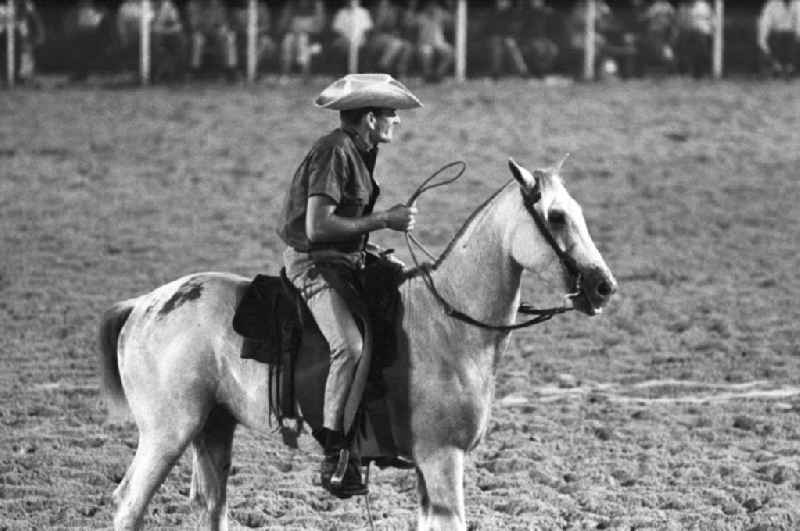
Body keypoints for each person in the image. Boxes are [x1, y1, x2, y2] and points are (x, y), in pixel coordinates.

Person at [277, 73, 421, 498]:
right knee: (350, 346)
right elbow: (317, 226)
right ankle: (336, 452)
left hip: (343, 256)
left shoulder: (361, 149)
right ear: (370, 119)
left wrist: (370, 242)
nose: (397, 121)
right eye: (391, 115)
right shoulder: (334, 151)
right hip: (313, 262)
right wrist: (383, 221)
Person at [186, 0, 238, 80]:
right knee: (198, 40)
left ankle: (231, 70)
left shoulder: (217, 4)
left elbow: (222, 20)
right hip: (200, 31)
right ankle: (195, 71)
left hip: (215, 31)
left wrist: (224, 27)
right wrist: (199, 29)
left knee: (229, 37)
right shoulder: (194, 4)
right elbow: (194, 23)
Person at [277, 0, 325, 79]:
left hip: (315, 46)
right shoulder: (292, 9)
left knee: (303, 39)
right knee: (288, 40)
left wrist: (305, 31)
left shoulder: (316, 7)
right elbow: (281, 27)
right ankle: (285, 74)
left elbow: (320, 29)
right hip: (294, 41)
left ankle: (305, 75)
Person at [366, 0, 413, 77]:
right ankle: (382, 66)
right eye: (382, 4)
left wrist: (396, 33)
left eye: (386, 4)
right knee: (396, 44)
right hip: (376, 38)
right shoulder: (373, 12)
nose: (384, 5)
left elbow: (398, 27)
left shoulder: (393, 12)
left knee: (407, 46)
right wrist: (380, 17)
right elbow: (372, 29)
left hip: (391, 38)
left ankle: (399, 71)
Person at [230, 0, 277, 78]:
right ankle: (232, 72)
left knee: (265, 43)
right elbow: (233, 26)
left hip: (259, 37)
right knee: (231, 40)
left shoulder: (261, 7)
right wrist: (244, 31)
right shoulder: (236, 10)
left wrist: (255, 31)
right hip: (241, 37)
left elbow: (267, 26)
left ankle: (253, 71)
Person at [413, 0, 454, 82]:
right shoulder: (421, 17)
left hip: (439, 43)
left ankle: (439, 74)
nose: (432, 7)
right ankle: (427, 76)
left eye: (434, 5)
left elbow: (451, 20)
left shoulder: (440, 14)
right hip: (425, 43)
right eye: (430, 5)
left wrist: (450, 6)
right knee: (426, 53)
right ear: (426, 7)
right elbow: (410, 23)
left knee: (450, 52)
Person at [757, 0, 800, 77]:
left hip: (792, 39)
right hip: (776, 37)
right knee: (770, 40)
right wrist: (763, 44)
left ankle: (790, 67)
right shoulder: (771, 4)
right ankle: (776, 66)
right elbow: (764, 23)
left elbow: (799, 25)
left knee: (794, 36)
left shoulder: (798, 4)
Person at [486, 0, 529, 79]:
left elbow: (515, 29)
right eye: (500, 2)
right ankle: (495, 73)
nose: (502, 3)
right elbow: (487, 29)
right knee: (497, 47)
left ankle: (523, 72)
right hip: (494, 39)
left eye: (505, 2)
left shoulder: (512, 14)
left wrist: (510, 36)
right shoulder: (492, 13)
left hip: (509, 38)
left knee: (511, 45)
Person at [330, 0, 374, 71]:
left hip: (360, 39)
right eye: (350, 1)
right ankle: (351, 72)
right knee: (351, 46)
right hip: (344, 39)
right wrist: (347, 39)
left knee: (354, 46)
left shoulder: (364, 12)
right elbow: (337, 30)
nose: (352, 3)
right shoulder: (341, 13)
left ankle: (353, 72)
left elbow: (366, 29)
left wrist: (359, 38)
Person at [675, 0, 714, 78]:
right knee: (688, 50)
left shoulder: (703, 5)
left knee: (701, 51)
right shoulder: (685, 7)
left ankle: (699, 71)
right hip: (690, 32)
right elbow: (681, 21)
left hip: (703, 32)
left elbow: (712, 19)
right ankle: (687, 71)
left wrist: (711, 29)